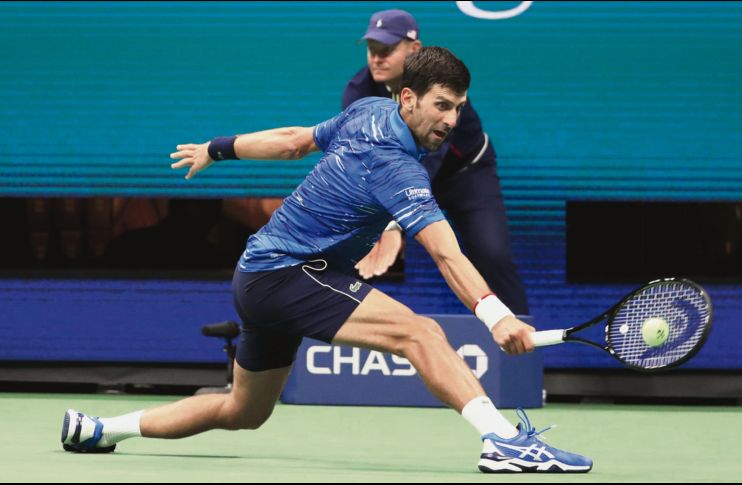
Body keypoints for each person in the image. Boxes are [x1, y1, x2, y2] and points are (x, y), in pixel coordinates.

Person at [60, 47, 591, 474]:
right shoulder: (397, 165)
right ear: (409, 98)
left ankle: (101, 429)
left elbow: (294, 142)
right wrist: (497, 316)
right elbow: (445, 251)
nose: (451, 120)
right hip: (288, 272)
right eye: (442, 105)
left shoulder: (369, 112)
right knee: (420, 333)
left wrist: (219, 147)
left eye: (458, 107)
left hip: (258, 274)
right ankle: (502, 442)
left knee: (242, 411)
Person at [346, 9, 530, 316]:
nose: (377, 58)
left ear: (414, 49)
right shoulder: (359, 93)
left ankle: (521, 346)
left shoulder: (444, 88)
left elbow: (431, 157)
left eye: (387, 50)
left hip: (466, 177)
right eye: (372, 50)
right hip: (398, 181)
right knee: (347, 245)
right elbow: (363, 157)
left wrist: (394, 223)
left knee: (492, 255)